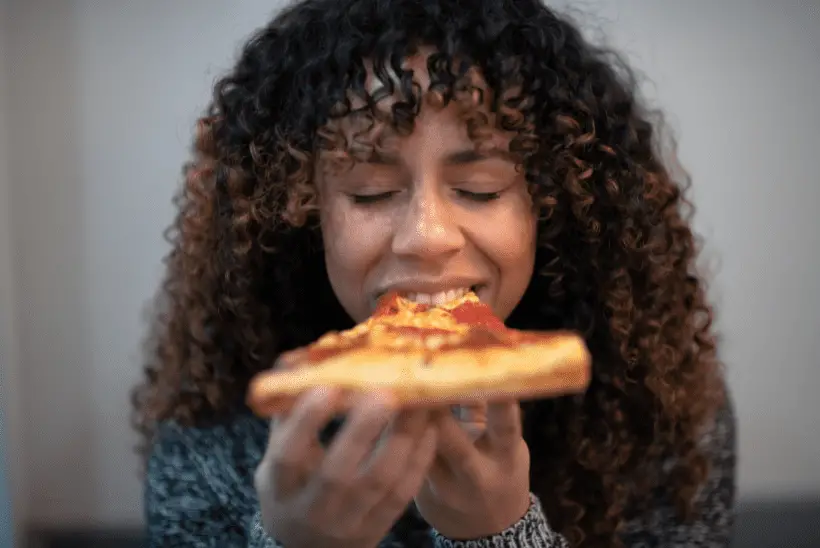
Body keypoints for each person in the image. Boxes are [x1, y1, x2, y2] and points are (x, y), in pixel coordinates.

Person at [132, 0, 736, 546]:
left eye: (480, 188)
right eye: (371, 192)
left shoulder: (660, 415)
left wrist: (499, 534)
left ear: (552, 209)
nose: (427, 236)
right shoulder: (208, 435)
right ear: (301, 209)